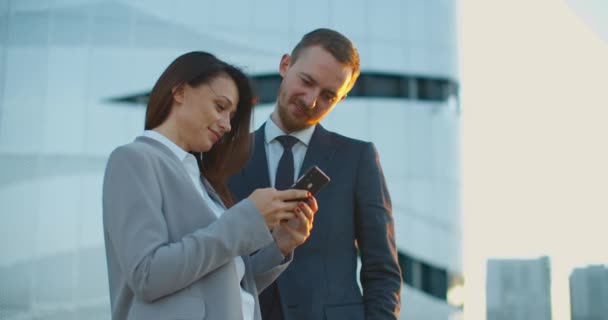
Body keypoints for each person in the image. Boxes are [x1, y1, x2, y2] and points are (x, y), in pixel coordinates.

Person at [102, 51, 318, 320]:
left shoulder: (202, 181)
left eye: (231, 115)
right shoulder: (134, 159)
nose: (227, 125)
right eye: (220, 106)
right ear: (180, 91)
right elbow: (147, 275)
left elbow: (222, 281)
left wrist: (280, 245)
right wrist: (247, 217)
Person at [228, 29, 402, 320]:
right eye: (306, 82)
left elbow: (382, 271)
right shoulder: (225, 156)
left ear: (341, 98)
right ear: (285, 65)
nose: (310, 100)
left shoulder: (358, 159)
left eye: (328, 96)